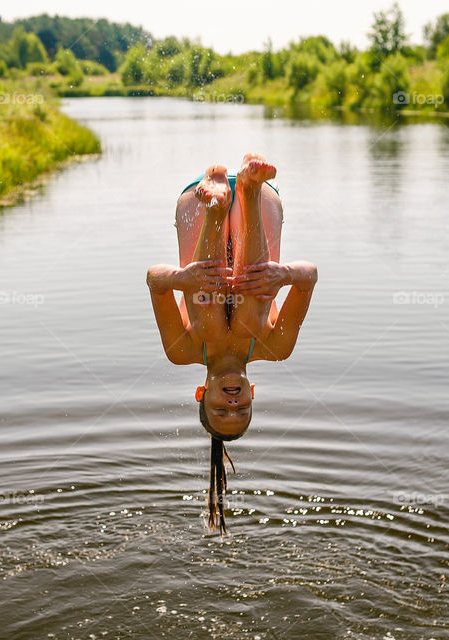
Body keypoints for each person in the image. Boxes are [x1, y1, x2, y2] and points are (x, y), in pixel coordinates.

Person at [146, 153, 318, 535]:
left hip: (198, 199)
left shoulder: (184, 351)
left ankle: (217, 205)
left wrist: (183, 278)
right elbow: (310, 277)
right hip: (263, 203)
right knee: (248, 323)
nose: (232, 402)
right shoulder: (276, 346)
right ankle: (249, 191)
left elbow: (155, 281)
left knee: (214, 326)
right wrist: (285, 274)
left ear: (201, 393)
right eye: (242, 409)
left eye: (222, 410)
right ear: (253, 392)